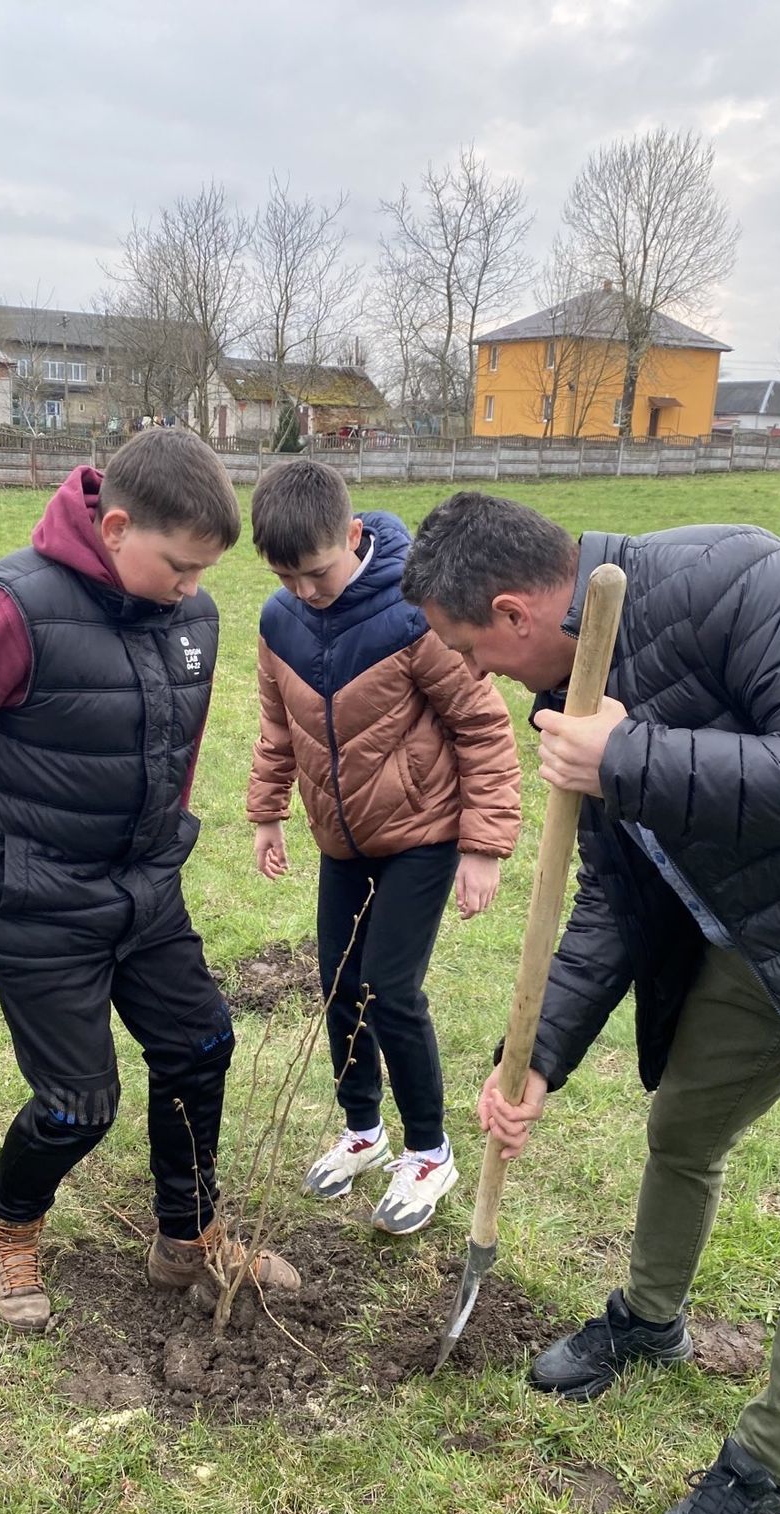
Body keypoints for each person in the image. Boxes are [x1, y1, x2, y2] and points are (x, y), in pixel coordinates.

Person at [400, 491, 780, 1514]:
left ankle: (761, 1470)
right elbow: (615, 893)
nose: (475, 673)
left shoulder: (740, 579)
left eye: (472, 649)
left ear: (514, 612)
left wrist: (634, 757)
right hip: (755, 941)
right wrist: (539, 1059)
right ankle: (648, 1320)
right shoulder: (571, 690)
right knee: (682, 1128)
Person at [0, 428, 300, 1333]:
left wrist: (163, 844)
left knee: (201, 1046)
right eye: (180, 565)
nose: (195, 587)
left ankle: (186, 1237)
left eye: (205, 570)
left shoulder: (192, 616)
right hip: (31, 897)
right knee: (80, 1105)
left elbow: (170, 749)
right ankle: (6, 1226)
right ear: (115, 528)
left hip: (142, 890)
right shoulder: (10, 611)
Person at [247, 462, 521, 1234]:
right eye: (286, 577)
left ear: (354, 537)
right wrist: (266, 811)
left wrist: (483, 847)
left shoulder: (415, 618)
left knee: (389, 989)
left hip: (423, 836)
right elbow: (277, 726)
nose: (305, 590)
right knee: (338, 984)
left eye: (316, 572)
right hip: (342, 840)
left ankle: (430, 1153)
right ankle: (364, 1132)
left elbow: (483, 727)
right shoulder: (280, 623)